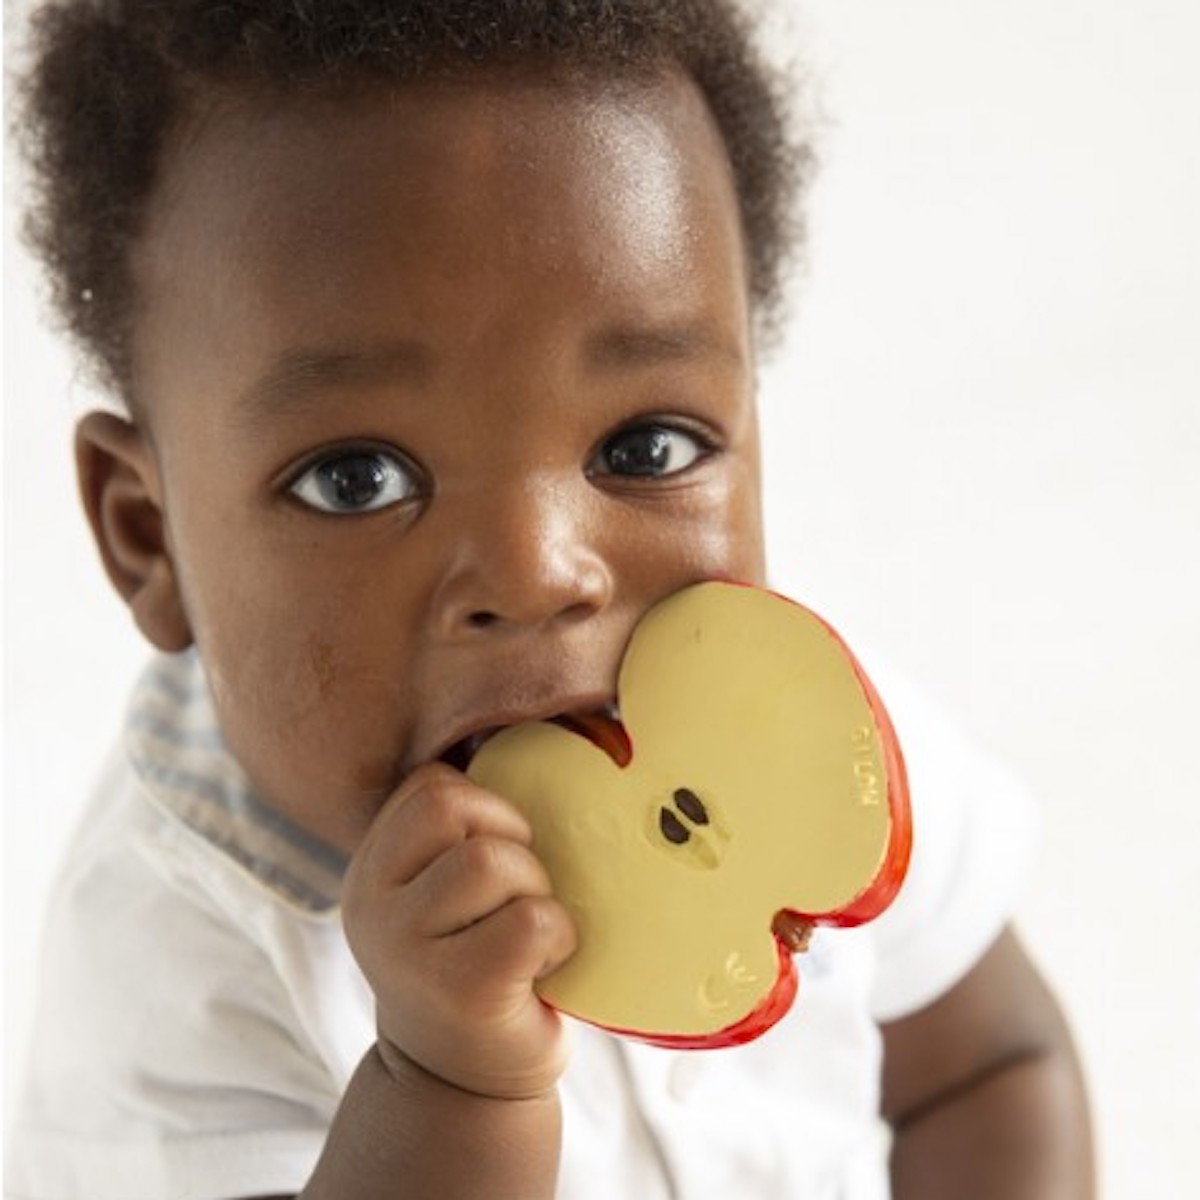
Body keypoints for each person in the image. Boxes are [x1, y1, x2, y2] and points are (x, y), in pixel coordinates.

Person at [7, 1, 1094, 1197]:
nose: (539, 570)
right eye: (355, 478)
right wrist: (447, 1088)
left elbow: (991, 1067)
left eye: (646, 447)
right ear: (146, 533)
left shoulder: (821, 740)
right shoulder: (178, 961)